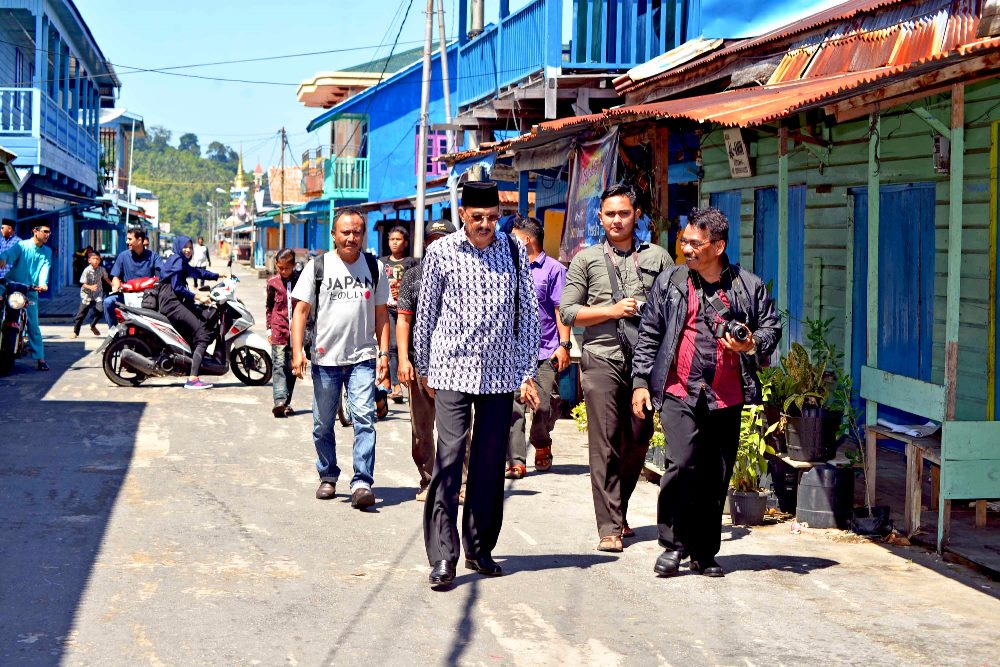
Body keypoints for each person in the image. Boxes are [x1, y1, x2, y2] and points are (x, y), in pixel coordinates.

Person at [631, 207, 781, 578]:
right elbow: (649, 333)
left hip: (725, 395)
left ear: (718, 246)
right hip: (678, 389)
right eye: (684, 241)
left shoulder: (747, 286)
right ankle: (672, 545)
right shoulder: (670, 282)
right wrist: (639, 382)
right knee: (681, 465)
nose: (686, 248)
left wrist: (750, 346)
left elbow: (770, 327)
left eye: (695, 243)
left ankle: (704, 552)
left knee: (716, 473)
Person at [414, 181, 540, 587]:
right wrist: (424, 367)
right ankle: (443, 557)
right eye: (477, 217)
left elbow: (528, 314)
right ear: (463, 215)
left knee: (488, 466)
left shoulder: (515, 251)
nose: (485, 224)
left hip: (500, 375)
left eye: (492, 217)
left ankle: (480, 548)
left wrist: (525, 371)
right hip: (451, 370)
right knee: (449, 460)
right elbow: (426, 314)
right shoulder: (440, 253)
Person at [559, 184, 673, 553]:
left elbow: (675, 307)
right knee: (604, 445)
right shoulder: (586, 259)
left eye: (624, 213)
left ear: (636, 214)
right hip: (602, 359)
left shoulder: (658, 258)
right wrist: (612, 310)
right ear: (600, 217)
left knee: (638, 439)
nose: (617, 220)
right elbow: (569, 311)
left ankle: (619, 508)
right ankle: (608, 528)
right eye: (610, 214)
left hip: (646, 364)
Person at [290, 209, 391, 510]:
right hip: (325, 359)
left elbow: (382, 313)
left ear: (363, 235)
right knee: (322, 424)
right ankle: (328, 475)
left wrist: (384, 354)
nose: (351, 237)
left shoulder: (374, 267)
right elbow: (301, 311)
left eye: (357, 232)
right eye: (345, 232)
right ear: (334, 235)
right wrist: (297, 352)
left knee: (364, 418)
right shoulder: (317, 267)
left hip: (362, 357)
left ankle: (362, 482)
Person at [396, 218, 470, 502]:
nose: (437, 245)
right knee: (422, 430)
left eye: (443, 240)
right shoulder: (414, 276)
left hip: (457, 366)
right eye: (432, 241)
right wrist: (403, 360)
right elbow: (403, 320)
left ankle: (462, 483)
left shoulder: (466, 273)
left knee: (461, 429)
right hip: (419, 364)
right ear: (426, 245)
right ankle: (427, 480)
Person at [505, 215, 571, 479]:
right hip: (512, 349)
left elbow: (560, 309)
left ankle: (541, 440)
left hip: (545, 349)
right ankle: (516, 459)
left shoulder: (554, 269)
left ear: (527, 239)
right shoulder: (507, 265)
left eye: (514, 236)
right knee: (514, 406)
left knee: (543, 405)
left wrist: (564, 345)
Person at [157, 236, 220, 389]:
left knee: (202, 317)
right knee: (202, 334)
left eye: (190, 247)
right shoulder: (178, 261)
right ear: (178, 246)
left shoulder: (179, 261)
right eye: (185, 247)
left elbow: (197, 272)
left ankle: (190, 360)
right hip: (172, 303)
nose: (188, 250)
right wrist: (198, 296)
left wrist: (219, 276)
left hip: (173, 301)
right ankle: (193, 379)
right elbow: (178, 287)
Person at [0, 223, 52, 371]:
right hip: (11, 286)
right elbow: (8, 254)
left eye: (49, 232)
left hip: (30, 291)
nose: (47, 235)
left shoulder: (47, 251)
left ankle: (40, 358)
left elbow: (44, 268)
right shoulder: (22, 246)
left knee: (33, 324)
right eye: (45, 231)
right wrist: (2, 258)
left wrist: (43, 283)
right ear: (35, 231)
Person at [379, 225, 418, 403]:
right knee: (393, 346)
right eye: (391, 239)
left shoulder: (412, 262)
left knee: (409, 345)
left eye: (398, 239)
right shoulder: (382, 262)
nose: (394, 243)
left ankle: (408, 379)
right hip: (388, 308)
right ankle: (395, 385)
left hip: (407, 309)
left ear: (406, 242)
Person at [266, 249, 302, 418]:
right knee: (278, 365)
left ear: (293, 266)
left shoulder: (301, 281)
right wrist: (269, 329)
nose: (282, 272)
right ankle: (279, 401)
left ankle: (286, 402)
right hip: (278, 329)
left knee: (291, 367)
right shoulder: (272, 282)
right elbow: (269, 307)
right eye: (279, 268)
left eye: (286, 268)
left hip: (295, 331)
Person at [104, 228, 162, 328]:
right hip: (127, 296)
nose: (127, 242)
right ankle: (113, 332)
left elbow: (162, 274)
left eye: (130, 239)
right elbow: (115, 276)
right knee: (107, 302)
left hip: (147, 297)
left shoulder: (153, 256)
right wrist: (116, 286)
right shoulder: (123, 256)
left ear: (139, 240)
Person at [72, 252, 110, 338]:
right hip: (87, 295)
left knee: (100, 310)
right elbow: (82, 284)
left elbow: (106, 278)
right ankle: (75, 331)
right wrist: (90, 287)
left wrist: (113, 285)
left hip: (97, 294)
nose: (96, 261)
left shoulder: (102, 269)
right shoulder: (87, 270)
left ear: (100, 260)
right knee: (81, 314)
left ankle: (93, 325)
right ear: (89, 260)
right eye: (94, 259)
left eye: (98, 259)